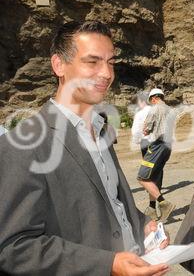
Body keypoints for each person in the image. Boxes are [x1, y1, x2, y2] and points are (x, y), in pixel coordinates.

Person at [0, 21, 169, 275]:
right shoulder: (22, 144)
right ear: (58, 65)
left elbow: (108, 201)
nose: (106, 73)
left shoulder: (101, 130)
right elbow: (14, 248)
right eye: (92, 62)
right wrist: (108, 265)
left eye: (110, 62)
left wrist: (143, 224)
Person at [137, 88, 176, 221]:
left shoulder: (154, 109)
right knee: (153, 178)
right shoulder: (170, 110)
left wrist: (145, 131)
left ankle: (164, 203)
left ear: (154, 98)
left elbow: (146, 129)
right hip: (168, 147)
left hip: (157, 146)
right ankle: (152, 208)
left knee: (142, 177)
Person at [131, 91, 151, 156]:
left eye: (138, 102)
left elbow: (136, 129)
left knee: (147, 161)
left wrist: (136, 140)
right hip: (157, 140)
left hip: (145, 140)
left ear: (143, 101)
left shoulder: (139, 114)